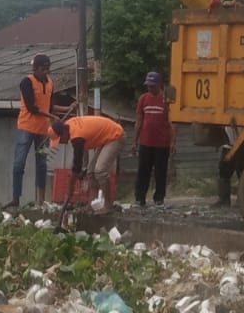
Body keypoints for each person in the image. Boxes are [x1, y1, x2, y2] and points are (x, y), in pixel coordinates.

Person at [8, 53, 58, 208]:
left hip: (43, 130)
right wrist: (52, 116)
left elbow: (50, 107)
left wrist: (67, 108)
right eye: (43, 68)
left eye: (48, 68)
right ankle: (16, 198)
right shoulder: (26, 82)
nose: (46, 71)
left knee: (42, 164)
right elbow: (32, 107)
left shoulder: (50, 83)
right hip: (26, 128)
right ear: (35, 68)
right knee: (19, 163)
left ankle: (41, 201)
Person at [50, 114, 125, 212]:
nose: (61, 143)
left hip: (116, 135)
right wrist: (72, 182)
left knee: (100, 170)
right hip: (106, 138)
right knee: (91, 172)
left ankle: (108, 205)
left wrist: (70, 188)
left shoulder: (77, 137)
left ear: (63, 133)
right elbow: (78, 164)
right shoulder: (68, 125)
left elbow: (77, 166)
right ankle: (92, 204)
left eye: (60, 140)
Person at [133, 72, 175, 207]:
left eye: (152, 86)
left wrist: (173, 142)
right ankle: (140, 198)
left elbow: (173, 123)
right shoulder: (143, 99)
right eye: (148, 86)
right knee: (143, 171)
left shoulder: (167, 99)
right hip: (145, 142)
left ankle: (159, 198)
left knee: (160, 172)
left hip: (162, 144)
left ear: (159, 85)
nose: (150, 88)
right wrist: (134, 141)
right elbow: (138, 121)